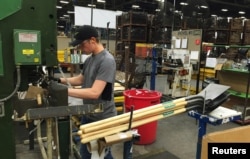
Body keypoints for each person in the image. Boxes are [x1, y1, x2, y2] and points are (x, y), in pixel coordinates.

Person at [59, 25, 117, 159]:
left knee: (102, 153)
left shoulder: (107, 60)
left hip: (103, 117)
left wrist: (64, 91)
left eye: (81, 44)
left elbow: (95, 93)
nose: (79, 48)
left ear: (92, 40)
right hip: (89, 114)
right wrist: (59, 81)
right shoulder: (90, 59)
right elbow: (80, 79)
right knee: (87, 152)